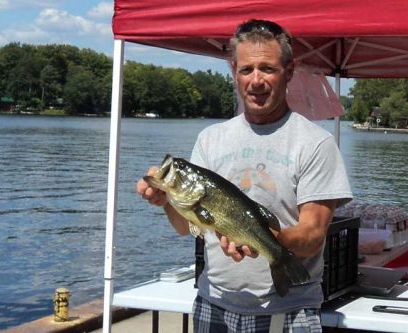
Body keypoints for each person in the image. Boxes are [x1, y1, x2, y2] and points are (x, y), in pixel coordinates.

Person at [136, 19, 353, 333]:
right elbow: (186, 225)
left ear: (289, 72)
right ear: (233, 70)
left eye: (268, 68)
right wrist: (165, 200)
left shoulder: (315, 143)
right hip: (214, 306)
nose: (256, 81)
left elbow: (312, 236)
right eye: (246, 70)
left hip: (289, 311)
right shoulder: (210, 139)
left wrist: (263, 239)